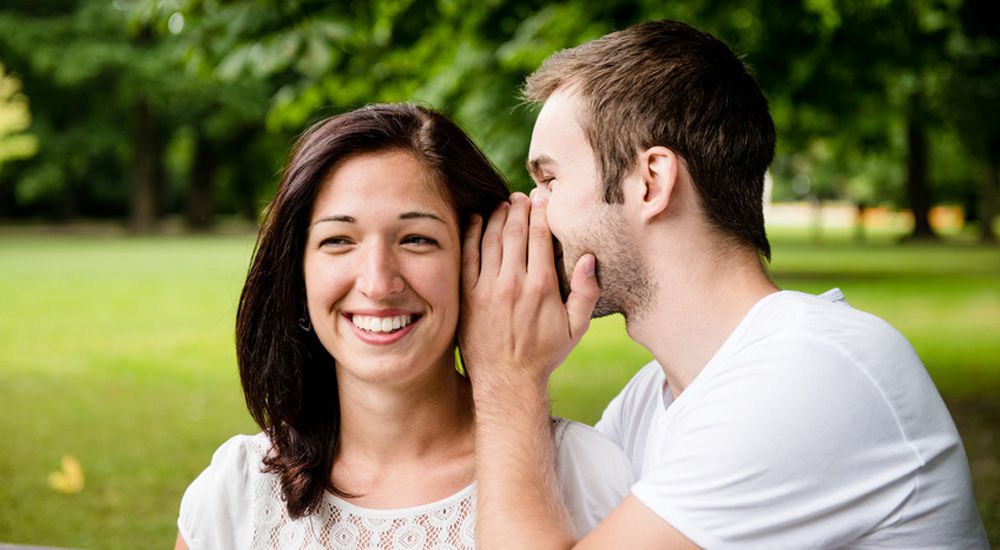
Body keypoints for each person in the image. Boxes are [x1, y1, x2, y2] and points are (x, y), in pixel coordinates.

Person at [459, 20, 989, 549]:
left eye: (549, 179)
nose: (531, 209)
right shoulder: (649, 401)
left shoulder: (808, 374)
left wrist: (509, 379)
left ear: (650, 182)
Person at [174, 103, 632, 550]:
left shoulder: (585, 471)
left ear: (481, 262)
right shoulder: (235, 492)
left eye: (416, 239)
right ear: (298, 274)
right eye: (338, 240)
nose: (377, 283)